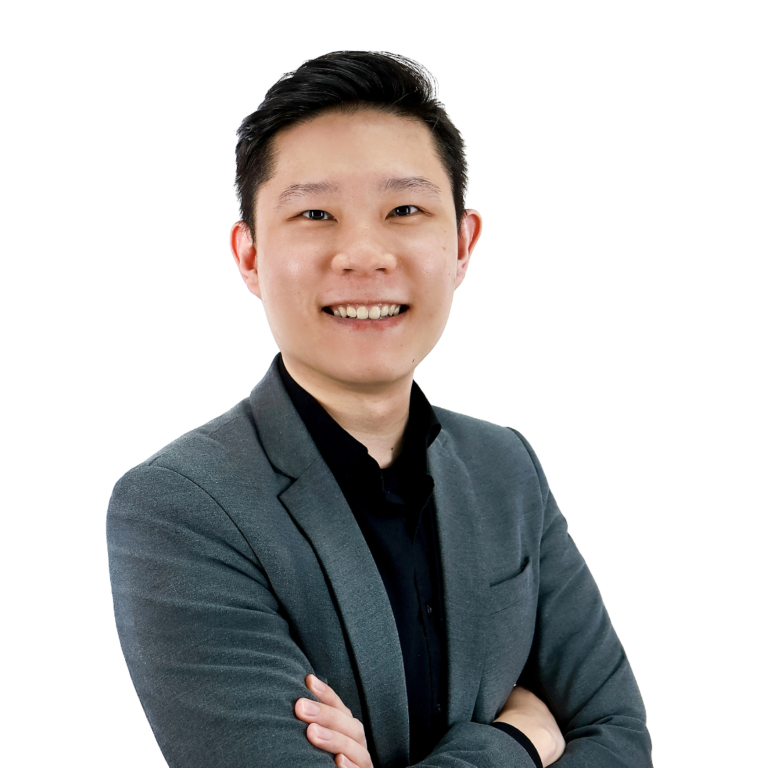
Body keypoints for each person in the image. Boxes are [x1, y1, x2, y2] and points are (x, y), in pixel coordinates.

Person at [107, 51, 652, 768]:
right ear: (249, 255)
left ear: (461, 244)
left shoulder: (505, 466)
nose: (363, 254)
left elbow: (618, 737)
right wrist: (516, 739)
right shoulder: (180, 506)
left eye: (405, 209)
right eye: (314, 213)